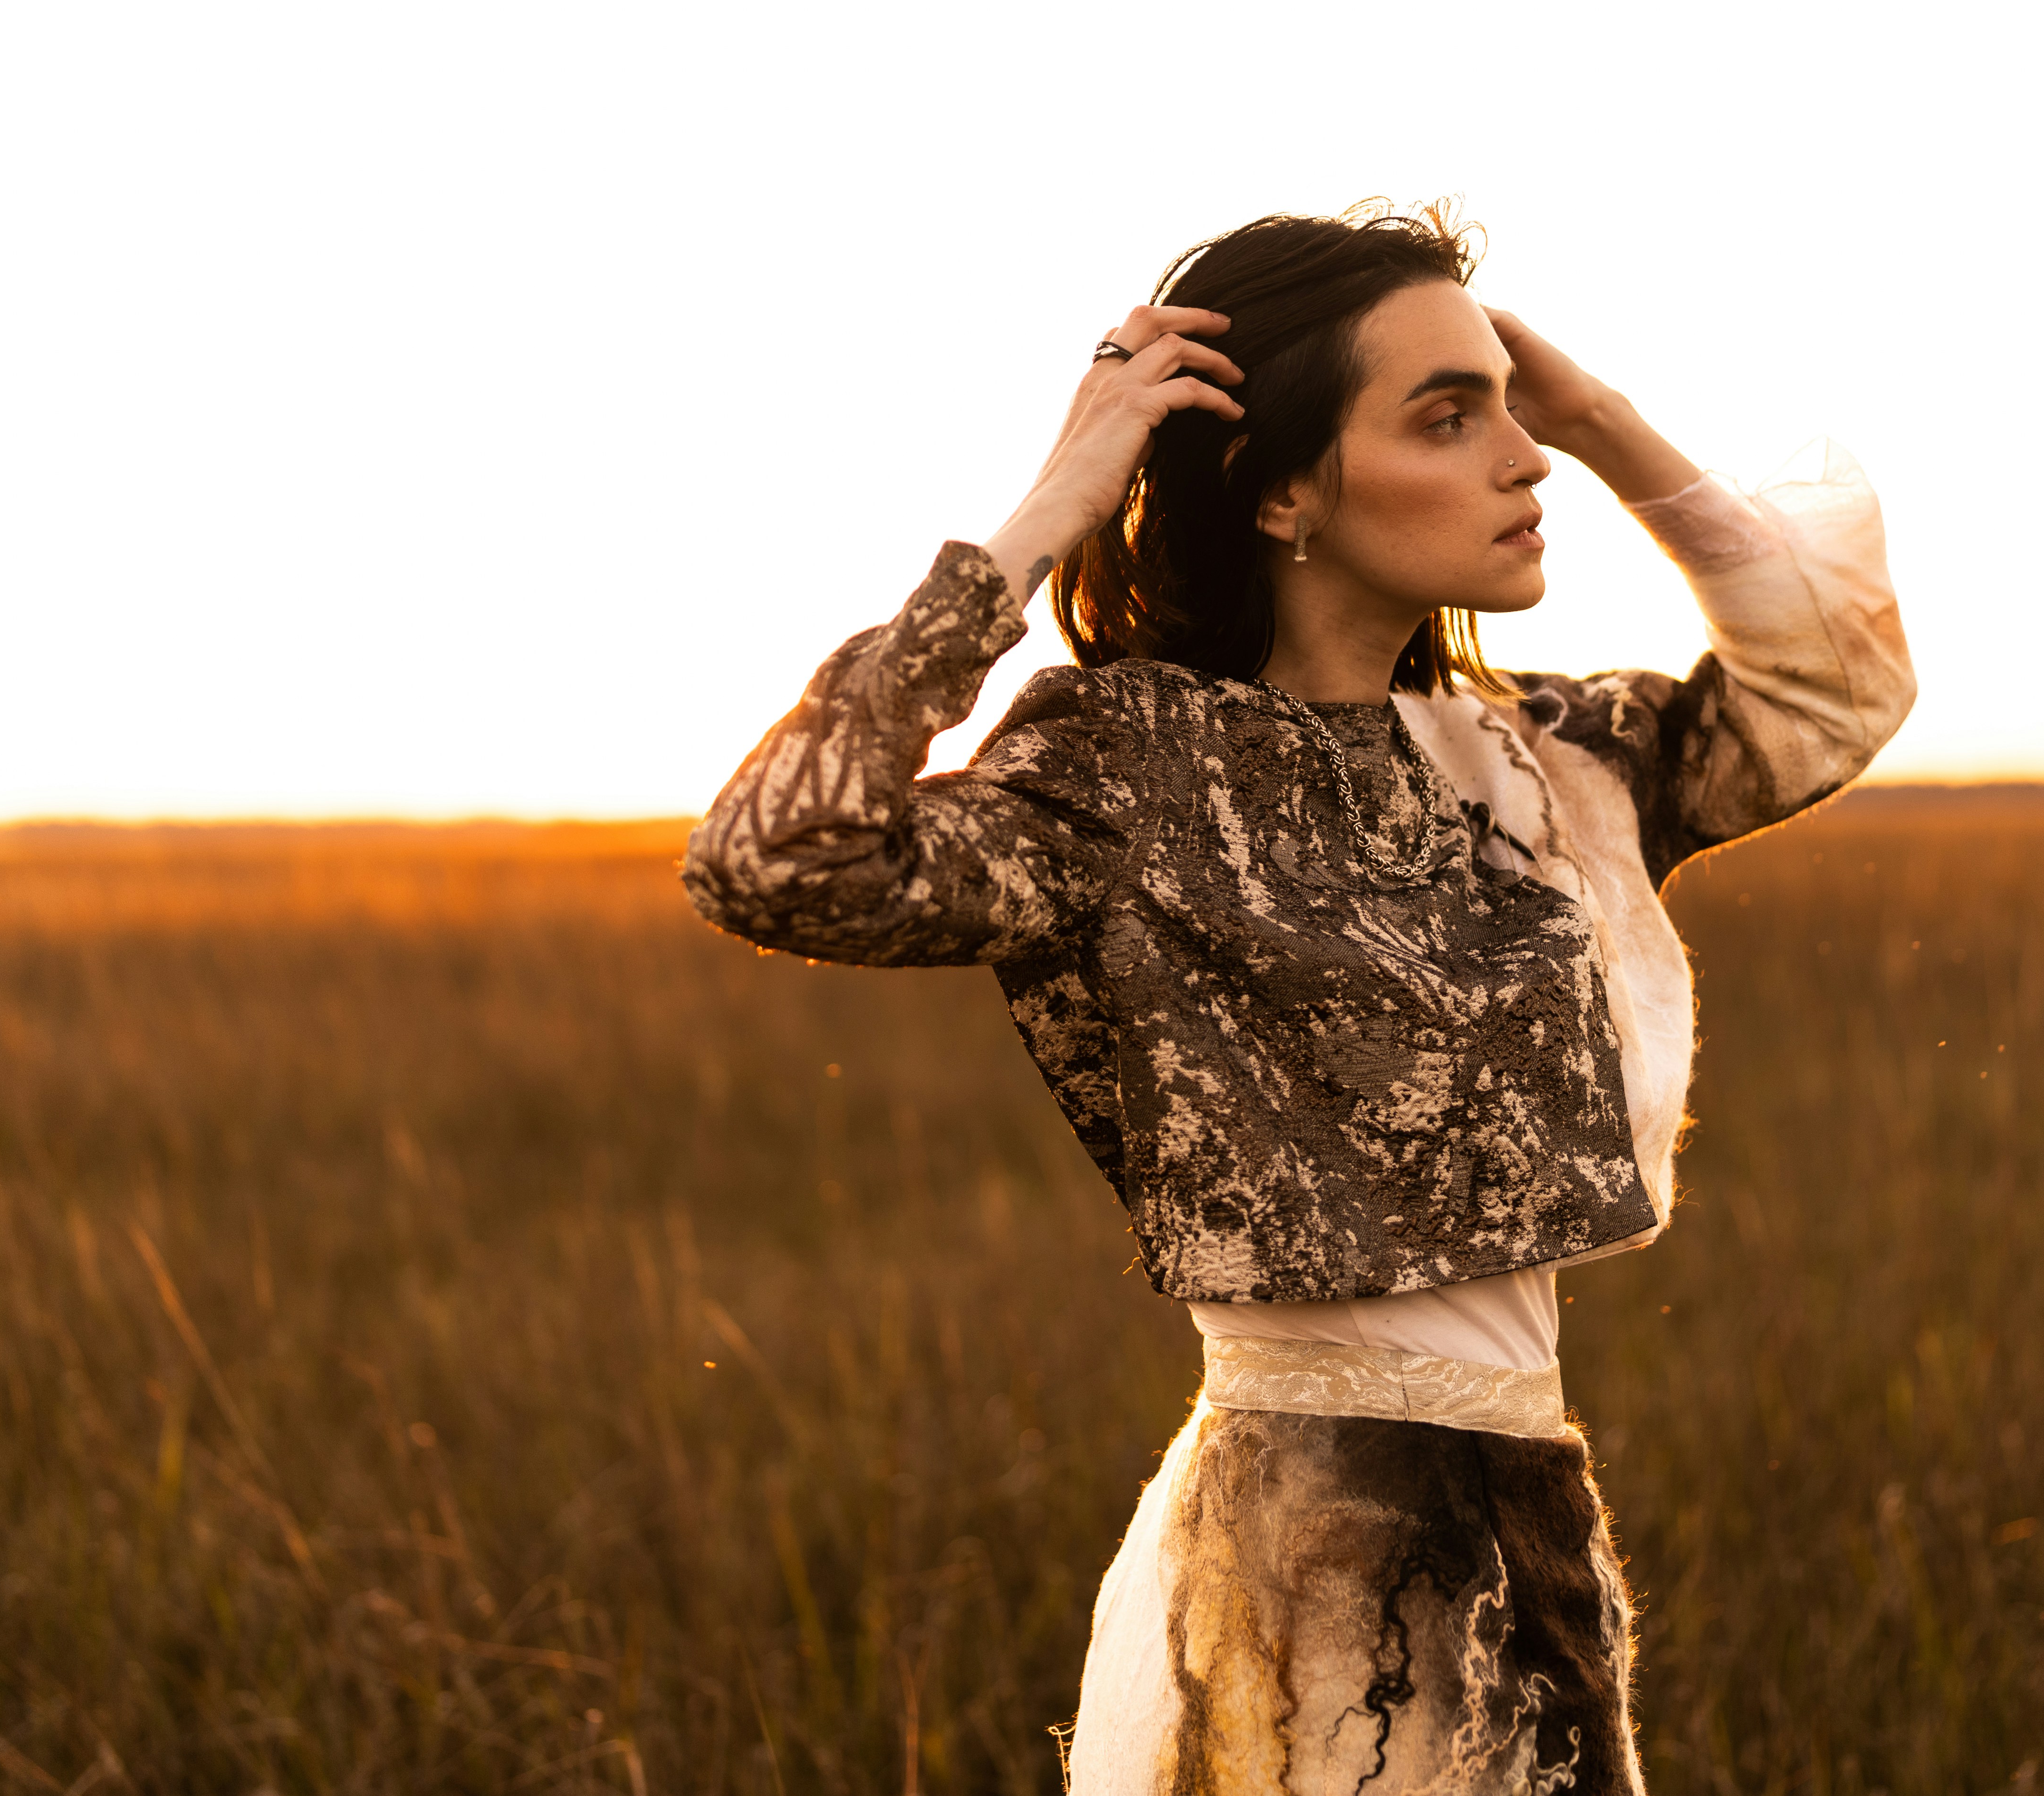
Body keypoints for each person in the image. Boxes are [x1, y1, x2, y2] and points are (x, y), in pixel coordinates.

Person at [681, 202, 1913, 1796]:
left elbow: (1833, 692)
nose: (1522, 461)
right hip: (1322, 1555)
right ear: (1281, 493)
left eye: (1513, 411)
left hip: (1533, 1513)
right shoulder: (1134, 765)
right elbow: (776, 855)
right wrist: (1051, 507)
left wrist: (1602, 419)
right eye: (1447, 418)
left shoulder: (1534, 763)